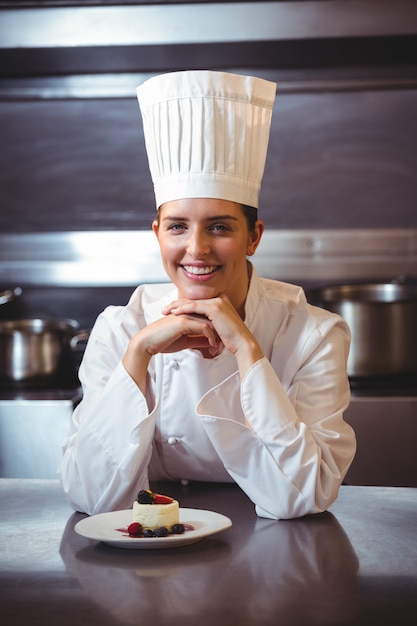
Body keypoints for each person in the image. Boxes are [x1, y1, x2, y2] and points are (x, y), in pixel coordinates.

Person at [59, 70, 356, 519]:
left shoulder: (313, 334)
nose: (196, 249)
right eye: (178, 227)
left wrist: (247, 350)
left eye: (220, 227)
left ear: (254, 237)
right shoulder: (123, 328)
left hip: (274, 560)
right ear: (158, 234)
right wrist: (139, 354)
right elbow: (91, 498)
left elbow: (305, 496)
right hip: (153, 554)